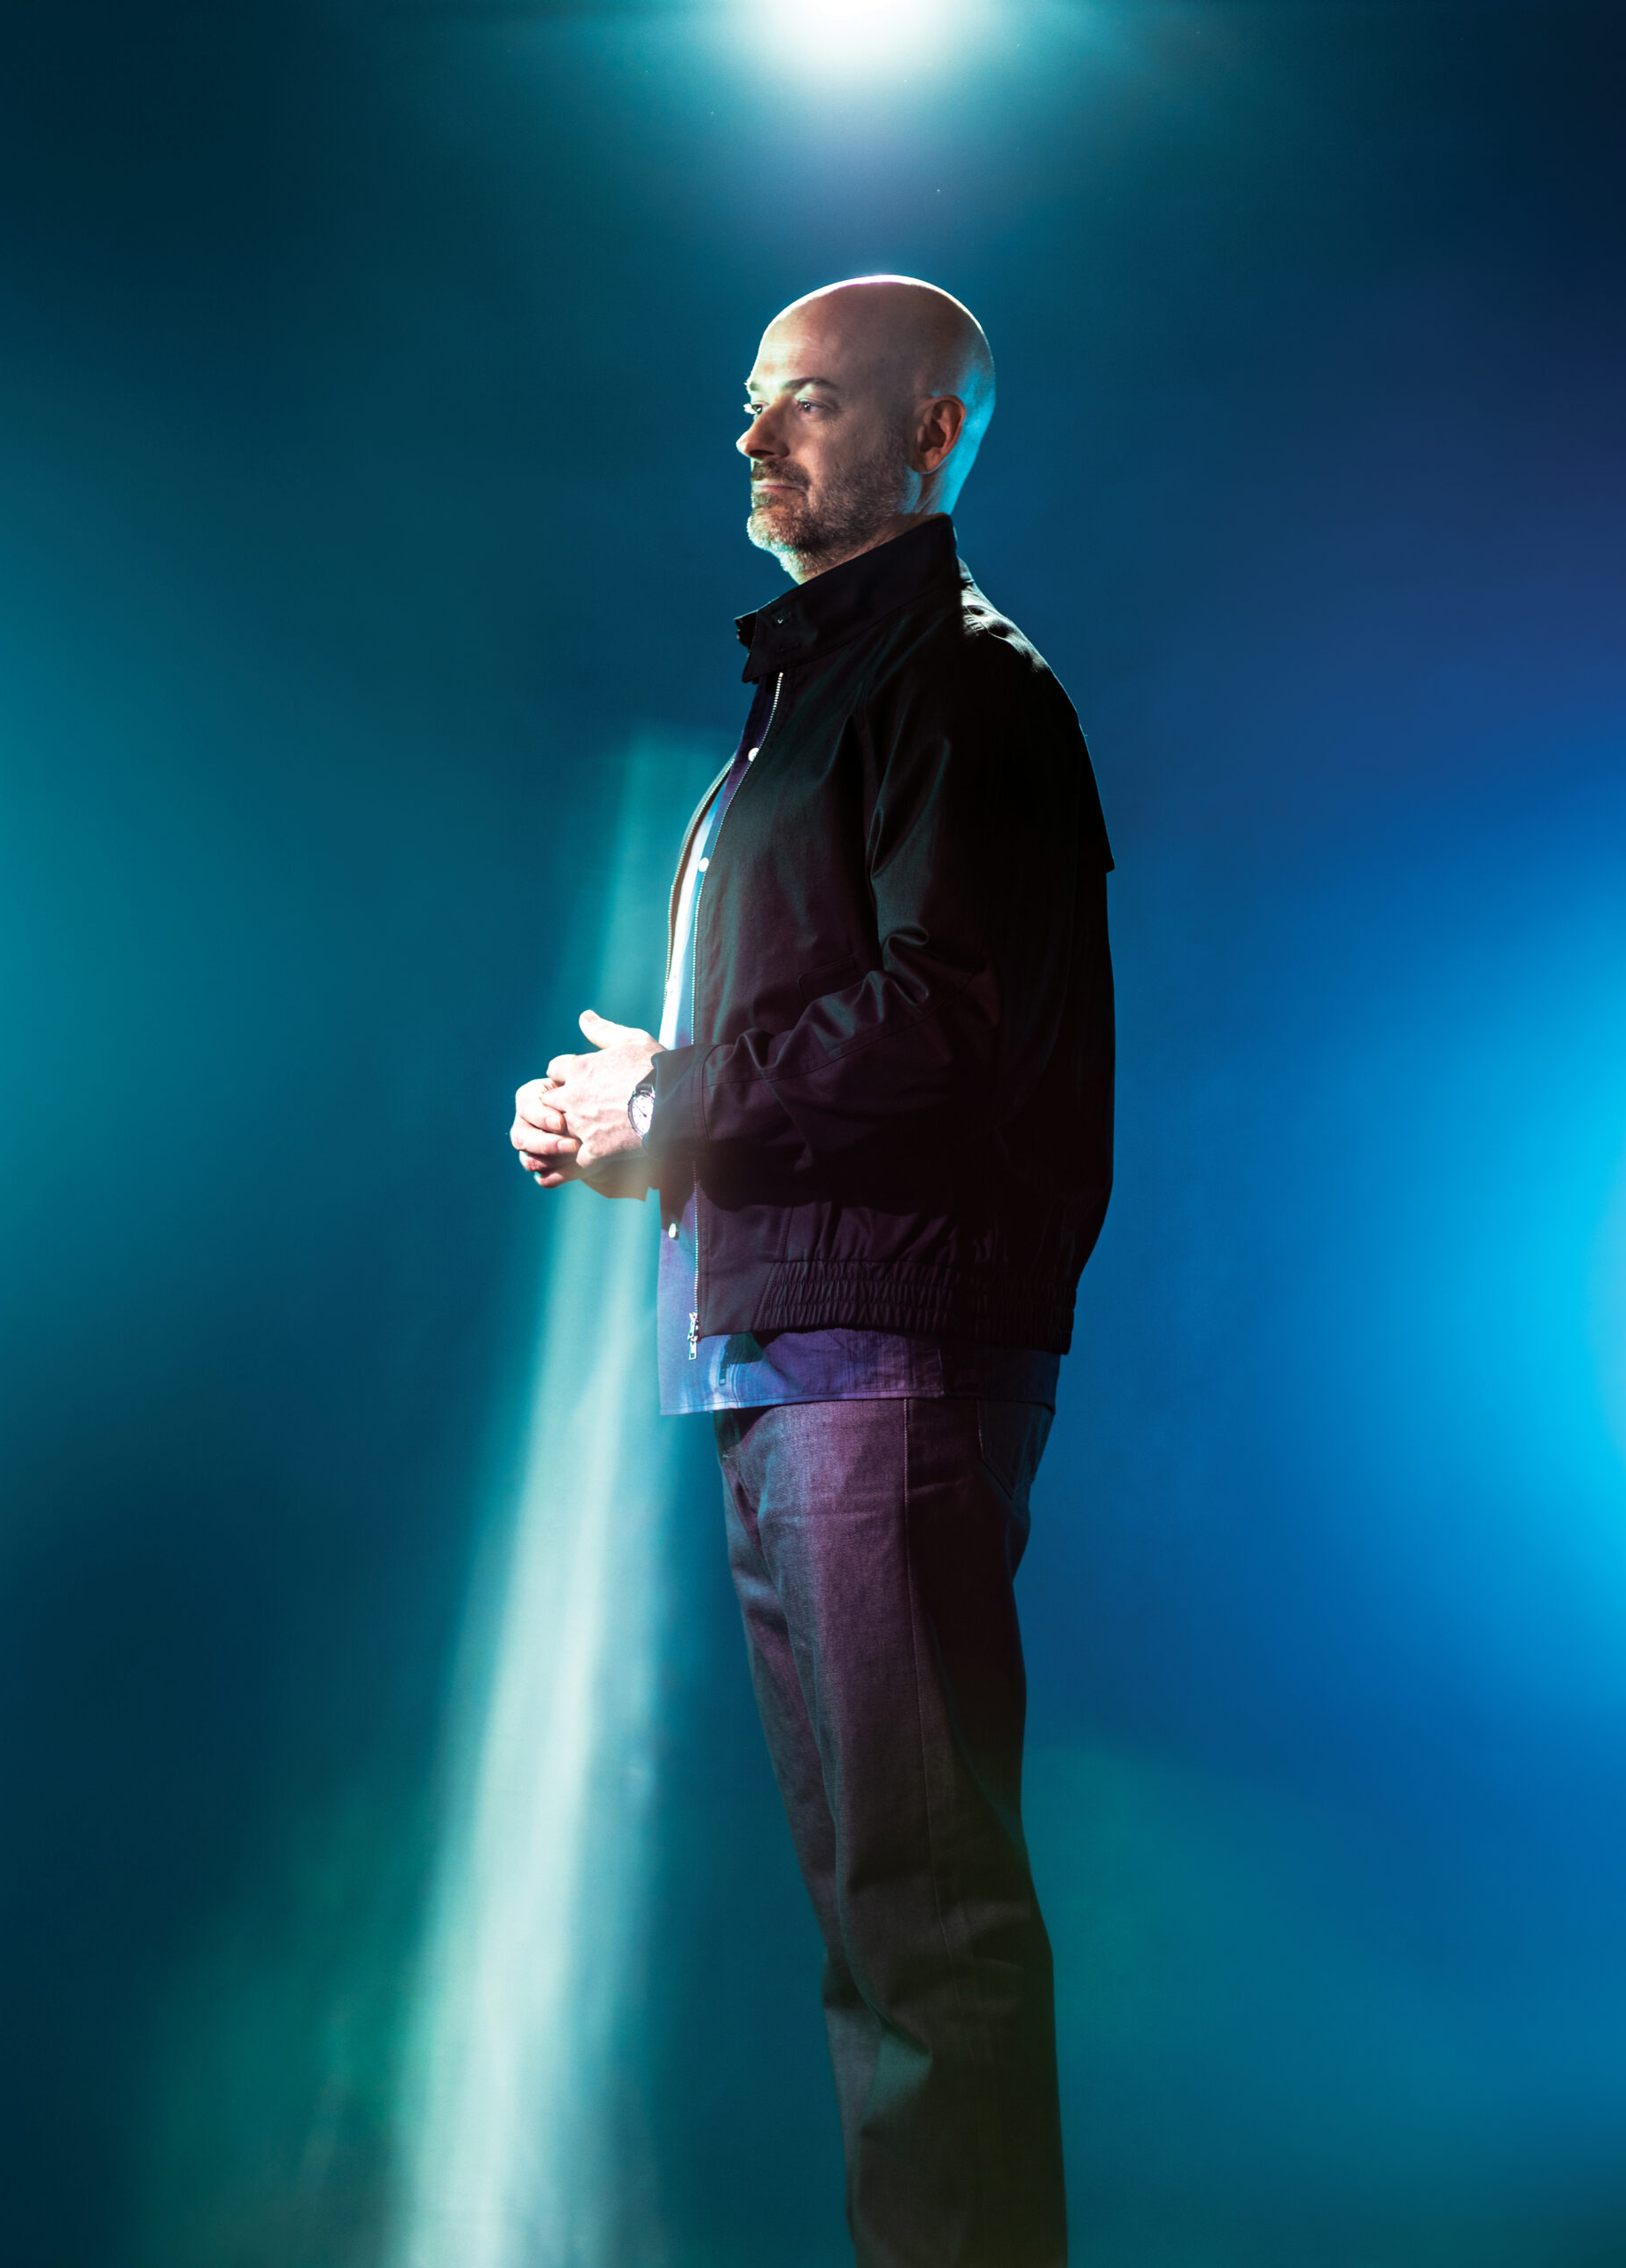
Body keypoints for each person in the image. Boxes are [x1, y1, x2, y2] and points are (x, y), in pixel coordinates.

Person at [509, 276, 1114, 2267]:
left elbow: (940, 1031)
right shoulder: (828, 694)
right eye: (750, 403)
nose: (754, 438)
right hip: (790, 1349)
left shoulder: (963, 687)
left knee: (916, 1918)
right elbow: (847, 1056)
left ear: (932, 436)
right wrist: (638, 1135)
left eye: (811, 405)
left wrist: (675, 1097)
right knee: (877, 1921)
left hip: (884, 1364)